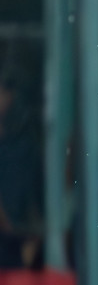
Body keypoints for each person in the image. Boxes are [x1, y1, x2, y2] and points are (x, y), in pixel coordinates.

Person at [0, 75, 40, 268]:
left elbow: (30, 192)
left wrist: (31, 233)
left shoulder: (22, 143)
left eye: (4, 93)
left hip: (16, 237)